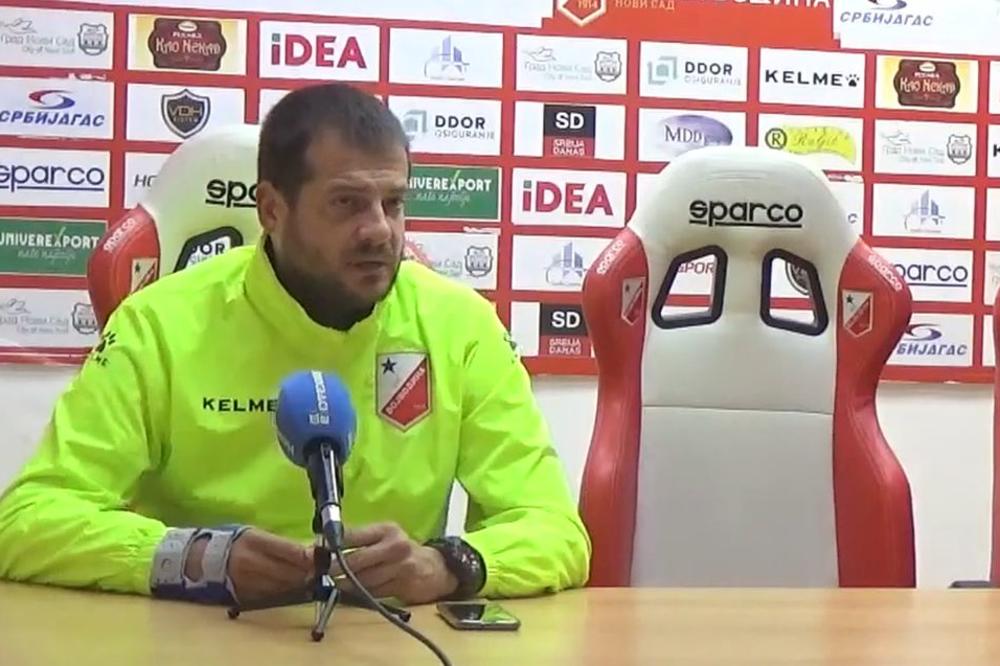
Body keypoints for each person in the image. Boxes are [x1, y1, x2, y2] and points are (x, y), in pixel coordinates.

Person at [0, 83, 591, 607]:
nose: (379, 230)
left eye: (393, 203)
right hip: (201, 633)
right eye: (346, 203)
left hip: (386, 641)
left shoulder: (461, 326)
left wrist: (445, 565)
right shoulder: (158, 324)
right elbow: (27, 522)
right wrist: (200, 558)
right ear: (271, 209)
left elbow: (556, 531)